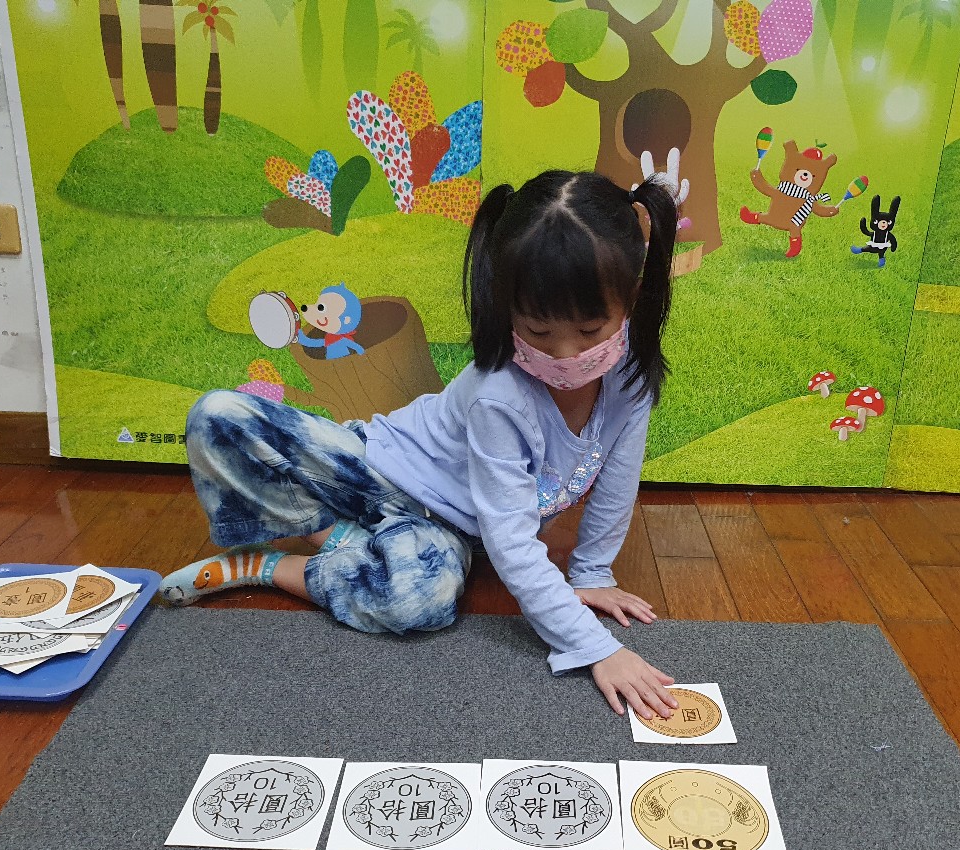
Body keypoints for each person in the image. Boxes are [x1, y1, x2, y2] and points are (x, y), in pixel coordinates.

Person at [160, 169, 681, 720]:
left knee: (420, 600)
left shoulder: (632, 380)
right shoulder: (499, 394)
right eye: (538, 331)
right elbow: (512, 539)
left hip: (449, 530)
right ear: (505, 307)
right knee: (219, 416)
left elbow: (615, 488)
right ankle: (329, 533)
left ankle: (264, 567)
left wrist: (592, 574)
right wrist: (598, 649)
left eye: (590, 331)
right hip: (379, 470)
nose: (564, 355)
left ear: (632, 298)